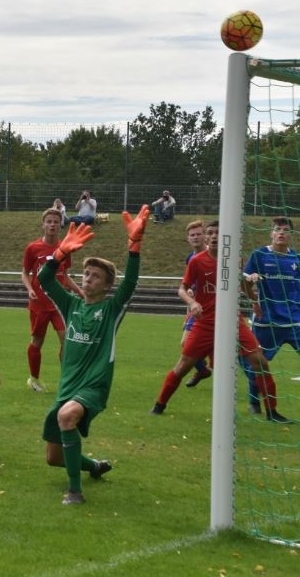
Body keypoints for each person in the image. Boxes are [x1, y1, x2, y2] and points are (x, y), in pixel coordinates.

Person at [39, 206, 150, 505]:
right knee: (54, 457)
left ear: (107, 285)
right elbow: (44, 279)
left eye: (96, 276)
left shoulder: (111, 309)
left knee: (66, 416)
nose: (88, 279)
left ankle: (75, 492)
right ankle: (95, 467)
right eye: (86, 273)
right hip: (68, 386)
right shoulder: (71, 305)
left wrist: (134, 246)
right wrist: (60, 253)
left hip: (94, 386)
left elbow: (130, 284)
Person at [150, 221, 292, 423]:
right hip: (205, 323)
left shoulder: (235, 259)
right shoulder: (197, 261)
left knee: (260, 362)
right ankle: (159, 406)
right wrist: (192, 302)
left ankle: (272, 412)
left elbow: (241, 282)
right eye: (210, 233)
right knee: (183, 366)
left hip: (234, 322)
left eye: (219, 232)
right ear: (206, 237)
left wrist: (254, 301)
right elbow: (182, 289)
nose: (214, 236)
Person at [242, 217, 300, 415]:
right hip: (266, 322)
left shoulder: (296, 259)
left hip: (294, 321)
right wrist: (250, 281)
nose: (281, 232)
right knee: (257, 364)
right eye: (277, 229)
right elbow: (243, 282)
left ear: (291, 235)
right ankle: (254, 402)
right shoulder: (259, 255)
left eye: (285, 230)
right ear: (271, 233)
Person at [21, 208, 83, 392]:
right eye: (49, 221)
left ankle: (67, 380)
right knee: (37, 342)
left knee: (67, 340)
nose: (52, 225)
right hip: (39, 304)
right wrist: (30, 289)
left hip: (59, 304)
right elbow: (24, 273)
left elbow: (65, 275)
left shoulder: (65, 247)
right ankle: (34, 379)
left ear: (60, 225)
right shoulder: (33, 248)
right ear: (43, 225)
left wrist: (79, 291)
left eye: (56, 221)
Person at [181, 220, 212, 388]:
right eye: (192, 235)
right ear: (188, 238)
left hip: (213, 308)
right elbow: (188, 286)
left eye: (199, 234)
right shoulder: (190, 258)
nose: (195, 237)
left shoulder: (214, 254)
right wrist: (188, 312)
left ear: (205, 236)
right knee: (185, 344)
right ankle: (202, 370)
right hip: (198, 309)